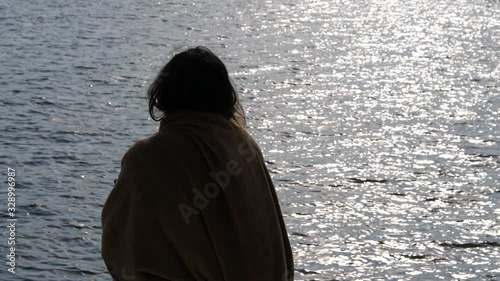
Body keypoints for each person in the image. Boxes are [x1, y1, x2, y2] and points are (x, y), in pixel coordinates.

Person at [101, 46, 294, 281]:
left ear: (165, 94)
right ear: (225, 98)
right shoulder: (245, 148)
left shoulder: (147, 158)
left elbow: (123, 247)